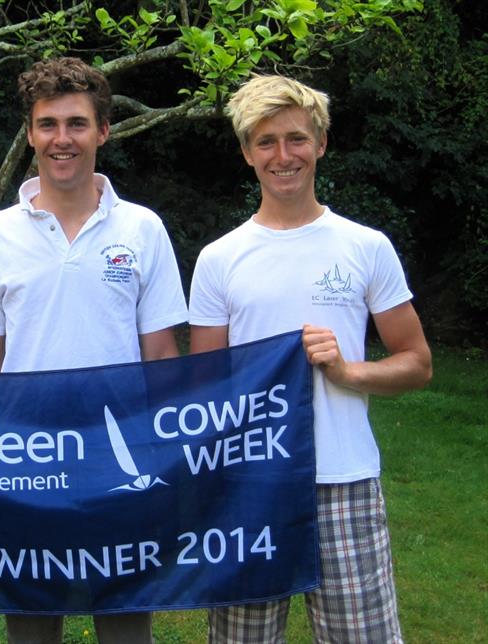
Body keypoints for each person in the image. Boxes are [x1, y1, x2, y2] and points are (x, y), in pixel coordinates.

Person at [189, 74, 432, 643]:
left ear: (320, 142)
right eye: (266, 141)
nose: (284, 155)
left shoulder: (365, 246)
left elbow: (417, 362)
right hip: (250, 482)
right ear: (248, 153)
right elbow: (203, 384)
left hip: (342, 480)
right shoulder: (219, 259)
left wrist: (349, 372)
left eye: (296, 138)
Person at [0, 57, 188, 644]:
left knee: (126, 624)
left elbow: (161, 352)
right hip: (25, 457)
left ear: (103, 131)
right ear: (31, 133)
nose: (62, 139)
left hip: (124, 457)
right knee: (32, 625)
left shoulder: (143, 229)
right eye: (48, 124)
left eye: (77, 123)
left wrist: (167, 450)